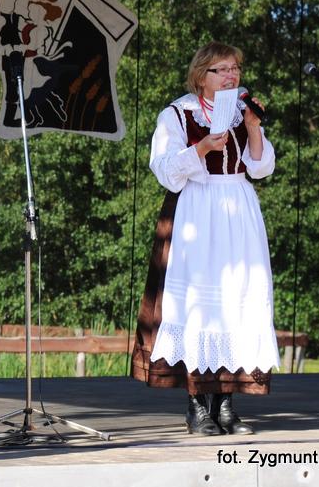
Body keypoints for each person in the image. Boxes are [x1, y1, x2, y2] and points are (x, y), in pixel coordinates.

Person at [131, 41, 279, 436]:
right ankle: (198, 406)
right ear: (202, 76)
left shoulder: (243, 112)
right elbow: (164, 169)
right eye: (222, 69)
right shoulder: (178, 114)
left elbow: (261, 167)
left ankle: (226, 405)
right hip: (197, 208)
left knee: (236, 300)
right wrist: (200, 148)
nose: (232, 76)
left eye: (235, 69)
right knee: (198, 304)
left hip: (237, 207)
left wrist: (253, 126)